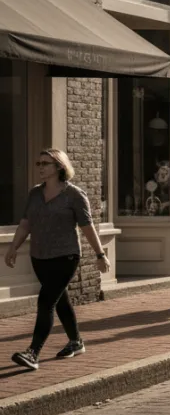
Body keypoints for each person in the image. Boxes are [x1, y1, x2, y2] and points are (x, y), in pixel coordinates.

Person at [6, 149, 108, 371]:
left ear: (60, 167)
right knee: (60, 299)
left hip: (66, 256)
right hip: (39, 256)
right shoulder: (34, 194)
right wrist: (13, 247)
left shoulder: (74, 195)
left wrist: (100, 255)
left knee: (46, 301)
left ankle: (33, 352)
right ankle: (76, 341)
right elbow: (26, 223)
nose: (41, 167)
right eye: (38, 163)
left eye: (46, 163)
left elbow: (87, 227)